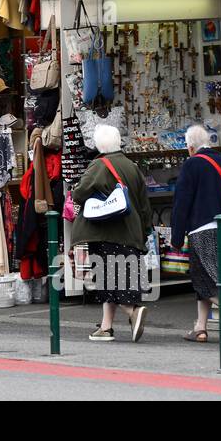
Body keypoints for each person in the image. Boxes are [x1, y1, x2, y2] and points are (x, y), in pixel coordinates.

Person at [69, 124, 154, 343]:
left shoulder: (99, 165)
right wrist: (145, 231)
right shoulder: (131, 165)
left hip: (107, 231)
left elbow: (79, 194)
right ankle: (106, 327)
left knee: (109, 279)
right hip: (131, 232)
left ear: (98, 144)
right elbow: (144, 204)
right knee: (124, 277)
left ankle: (133, 312)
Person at [173, 125, 221, 344]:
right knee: (216, 278)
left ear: (190, 148)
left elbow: (181, 203)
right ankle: (200, 328)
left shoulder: (191, 165)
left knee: (203, 279)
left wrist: (176, 237)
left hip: (202, 228)